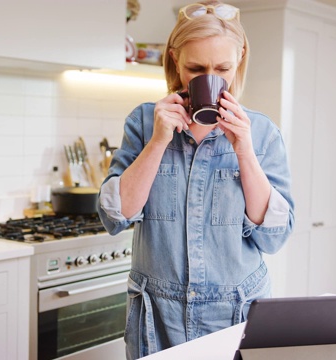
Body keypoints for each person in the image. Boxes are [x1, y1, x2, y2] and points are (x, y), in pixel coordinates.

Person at [97, 1, 295, 359]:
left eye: (223, 68)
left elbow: (274, 236)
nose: (210, 77)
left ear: (240, 60)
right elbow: (115, 216)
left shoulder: (262, 132)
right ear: (175, 59)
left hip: (236, 315)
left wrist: (245, 152)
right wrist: (159, 140)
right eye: (195, 68)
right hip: (157, 319)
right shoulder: (143, 124)